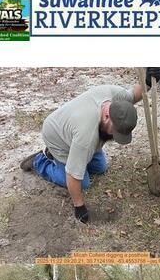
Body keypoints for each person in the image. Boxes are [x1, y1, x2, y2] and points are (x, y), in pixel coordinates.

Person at [19, 83, 144, 223]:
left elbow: (134, 94)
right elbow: (73, 174)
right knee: (83, 182)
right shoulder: (86, 135)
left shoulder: (116, 98)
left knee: (100, 168)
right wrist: (79, 206)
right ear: (107, 116)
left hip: (72, 128)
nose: (115, 137)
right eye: (115, 132)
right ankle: (40, 161)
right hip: (57, 137)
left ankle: (73, 156)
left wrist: (149, 81)